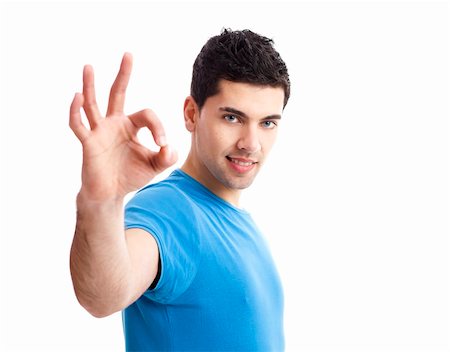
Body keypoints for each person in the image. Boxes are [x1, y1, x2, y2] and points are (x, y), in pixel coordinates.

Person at [69, 28, 290, 351]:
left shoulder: (241, 223)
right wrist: (101, 200)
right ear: (191, 114)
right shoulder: (167, 210)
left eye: (267, 123)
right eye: (232, 117)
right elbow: (102, 295)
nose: (251, 143)